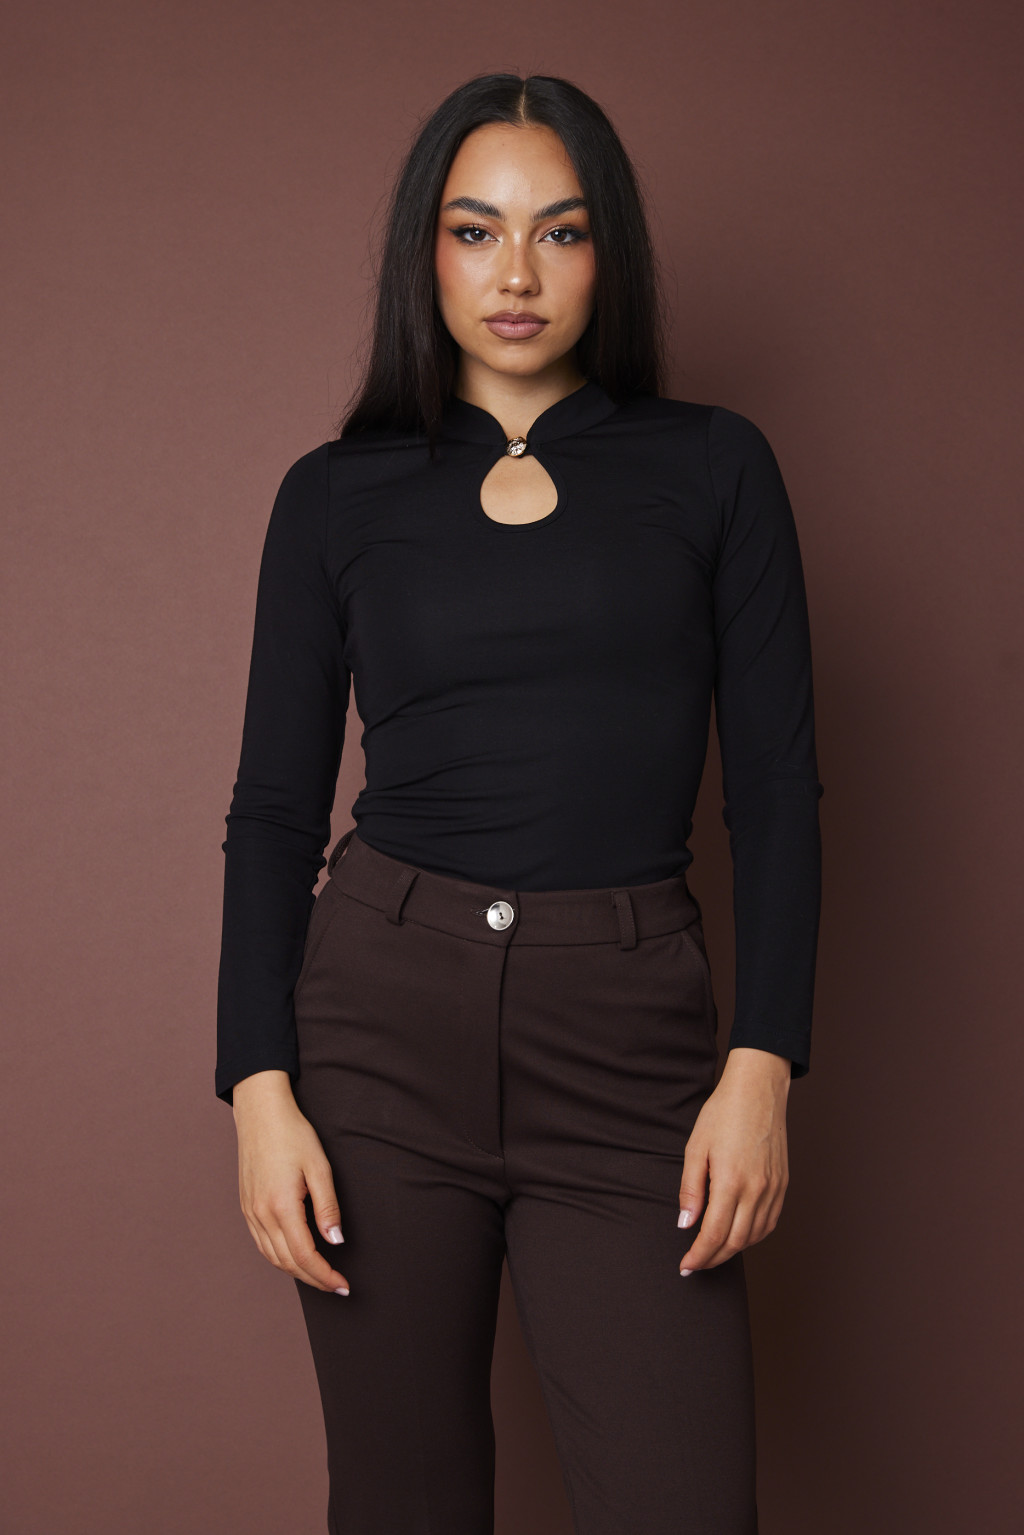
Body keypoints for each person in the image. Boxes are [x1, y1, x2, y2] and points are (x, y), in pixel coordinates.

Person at [216, 71, 823, 1535]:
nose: (516, 275)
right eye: (476, 230)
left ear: (608, 255)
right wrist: (256, 1086)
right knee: (403, 1504)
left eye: (560, 231)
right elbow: (276, 811)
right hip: (379, 1034)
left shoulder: (715, 468)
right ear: (424, 253)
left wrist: (763, 1065)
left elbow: (778, 793)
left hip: (626, 1043)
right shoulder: (333, 494)